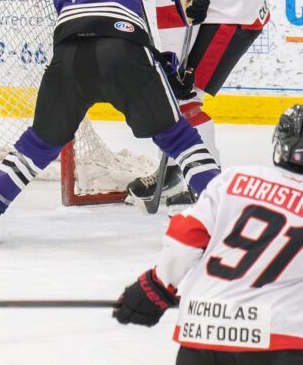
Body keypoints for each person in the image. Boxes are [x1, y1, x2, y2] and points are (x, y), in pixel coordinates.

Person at [0, 0, 220, 244]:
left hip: (67, 59)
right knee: (180, 139)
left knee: (37, 144)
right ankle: (223, 212)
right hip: (122, 47)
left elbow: (91, 27)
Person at [101, 0, 271, 207]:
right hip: (224, 0)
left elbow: (172, 14)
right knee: (177, 94)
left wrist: (172, 64)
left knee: (184, 97)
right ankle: (180, 168)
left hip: (234, 10)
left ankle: (209, 187)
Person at [113, 104, 303, 364]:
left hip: (202, 330)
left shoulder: (235, 179)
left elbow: (185, 234)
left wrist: (156, 286)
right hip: (279, 341)